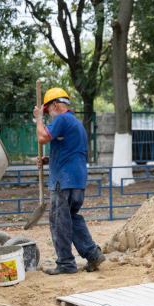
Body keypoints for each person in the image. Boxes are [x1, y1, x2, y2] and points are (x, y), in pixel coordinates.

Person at [33, 87, 105, 275]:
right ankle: (92, 253)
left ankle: (65, 263)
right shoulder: (76, 123)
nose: (48, 115)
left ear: (55, 105)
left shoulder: (62, 119)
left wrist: (38, 118)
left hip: (63, 180)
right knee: (71, 218)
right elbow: (70, 151)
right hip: (77, 179)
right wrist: (48, 160)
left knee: (59, 221)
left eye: (48, 110)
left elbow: (42, 137)